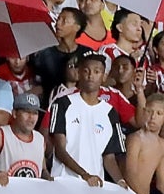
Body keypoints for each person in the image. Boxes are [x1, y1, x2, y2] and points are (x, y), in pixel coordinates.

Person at [48, 51, 123, 186]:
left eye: (96, 71)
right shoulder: (63, 103)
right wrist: (84, 175)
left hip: (93, 185)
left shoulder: (109, 113)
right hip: (64, 181)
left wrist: (120, 181)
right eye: (86, 71)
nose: (90, 76)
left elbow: (109, 157)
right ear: (79, 73)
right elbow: (60, 150)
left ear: (104, 77)